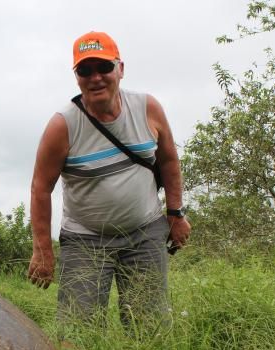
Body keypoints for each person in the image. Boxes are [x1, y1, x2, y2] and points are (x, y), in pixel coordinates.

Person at [27, 31, 191, 329]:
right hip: (85, 239)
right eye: (85, 70)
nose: (95, 77)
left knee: (149, 328)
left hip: (145, 233)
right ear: (76, 76)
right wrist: (42, 251)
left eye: (103, 67)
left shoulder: (147, 109)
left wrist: (176, 213)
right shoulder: (63, 125)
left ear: (121, 69)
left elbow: (168, 160)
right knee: (77, 332)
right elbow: (40, 188)